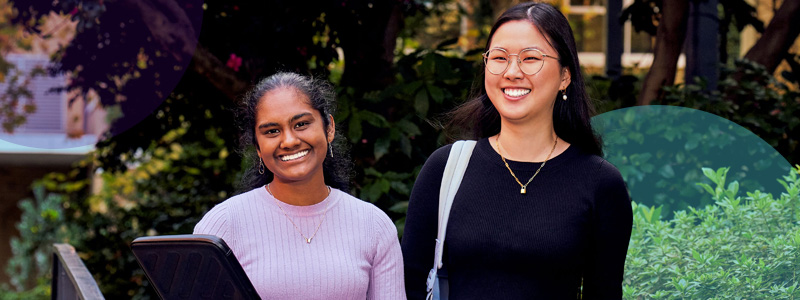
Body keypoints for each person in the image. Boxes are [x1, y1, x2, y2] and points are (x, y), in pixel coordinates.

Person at [401, 2, 633, 299]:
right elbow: (408, 285)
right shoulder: (445, 169)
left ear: (565, 75)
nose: (512, 72)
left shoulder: (600, 183)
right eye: (499, 57)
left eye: (530, 58)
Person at [194, 72, 406, 299]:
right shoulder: (223, 225)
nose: (289, 141)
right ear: (257, 146)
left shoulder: (374, 226)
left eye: (301, 124)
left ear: (329, 128)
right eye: (272, 131)